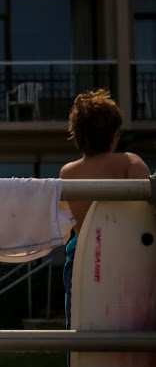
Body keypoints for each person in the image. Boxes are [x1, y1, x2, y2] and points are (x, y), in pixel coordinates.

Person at [59, 89, 148, 328]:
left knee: (81, 329)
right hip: (125, 254)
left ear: (76, 136)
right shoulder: (130, 162)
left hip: (81, 257)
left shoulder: (68, 172)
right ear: (115, 136)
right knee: (132, 327)